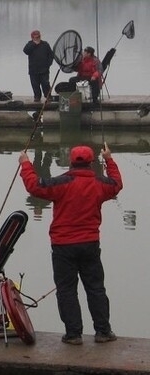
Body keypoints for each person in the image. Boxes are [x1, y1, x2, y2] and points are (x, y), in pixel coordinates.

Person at [19, 144, 122, 344]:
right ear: (92, 163)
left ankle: (73, 334)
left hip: (63, 246)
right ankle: (103, 332)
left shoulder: (61, 183)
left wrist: (25, 164)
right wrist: (109, 159)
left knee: (66, 290)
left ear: (71, 162)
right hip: (90, 244)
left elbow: (34, 186)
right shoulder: (100, 184)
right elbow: (117, 184)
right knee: (95, 288)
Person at [23, 29, 53, 103]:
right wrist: (34, 44)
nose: (37, 38)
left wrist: (48, 64)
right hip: (33, 70)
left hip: (44, 69)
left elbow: (51, 55)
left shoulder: (45, 44)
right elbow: (25, 51)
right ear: (32, 38)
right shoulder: (29, 44)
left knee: (45, 83)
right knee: (35, 84)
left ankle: (48, 96)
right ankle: (37, 97)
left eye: (38, 36)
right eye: (35, 37)